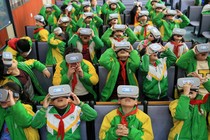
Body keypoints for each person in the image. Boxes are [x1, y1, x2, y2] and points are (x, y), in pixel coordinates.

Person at [31, 84, 97, 140]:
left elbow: (93, 115)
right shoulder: (45, 112)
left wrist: (80, 104)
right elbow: (35, 125)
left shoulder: (77, 110)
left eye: (63, 96)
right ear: (51, 101)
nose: (59, 98)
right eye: (55, 97)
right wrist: (44, 108)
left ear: (69, 99)